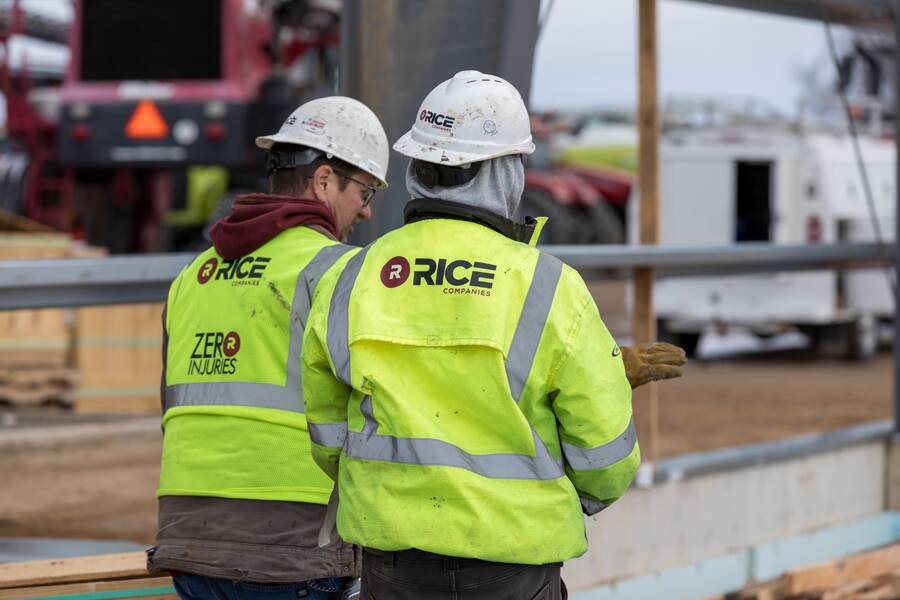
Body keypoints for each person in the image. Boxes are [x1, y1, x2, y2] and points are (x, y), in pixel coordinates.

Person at [301, 70, 641, 600]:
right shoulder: (548, 286)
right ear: (506, 172)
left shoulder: (351, 277)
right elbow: (607, 462)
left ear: (418, 165)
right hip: (514, 567)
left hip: (393, 569)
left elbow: (327, 437)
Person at [148, 96, 389, 600]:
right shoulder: (339, 271)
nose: (366, 210)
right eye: (364, 190)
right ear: (324, 181)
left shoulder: (192, 275)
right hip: (292, 548)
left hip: (190, 543)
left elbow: (173, 410)